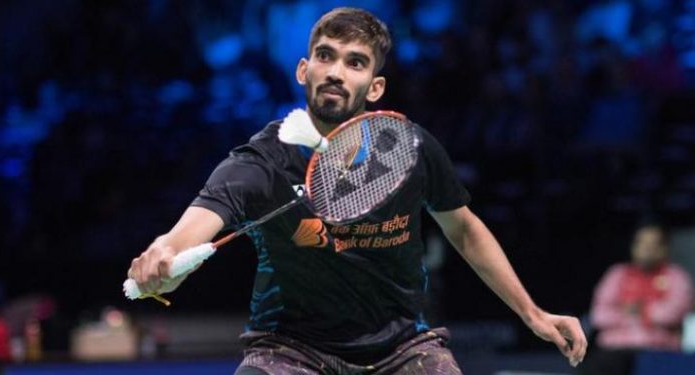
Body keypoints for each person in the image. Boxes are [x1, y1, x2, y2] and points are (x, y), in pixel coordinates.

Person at [127, 7, 586, 374]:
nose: (336, 72)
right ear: (303, 70)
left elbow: (463, 229)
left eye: (355, 62)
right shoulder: (260, 162)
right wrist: (163, 253)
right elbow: (195, 224)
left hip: (403, 347)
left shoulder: (408, 148)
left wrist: (533, 314)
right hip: (289, 350)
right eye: (325, 56)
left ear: (374, 86)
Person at [581, 223, 693, 375]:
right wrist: (640, 315)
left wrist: (640, 310)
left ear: (665, 248)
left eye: (654, 244)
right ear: (633, 246)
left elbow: (674, 313)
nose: (647, 249)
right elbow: (599, 315)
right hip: (614, 351)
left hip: (659, 351)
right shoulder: (617, 274)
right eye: (642, 243)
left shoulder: (677, 277)